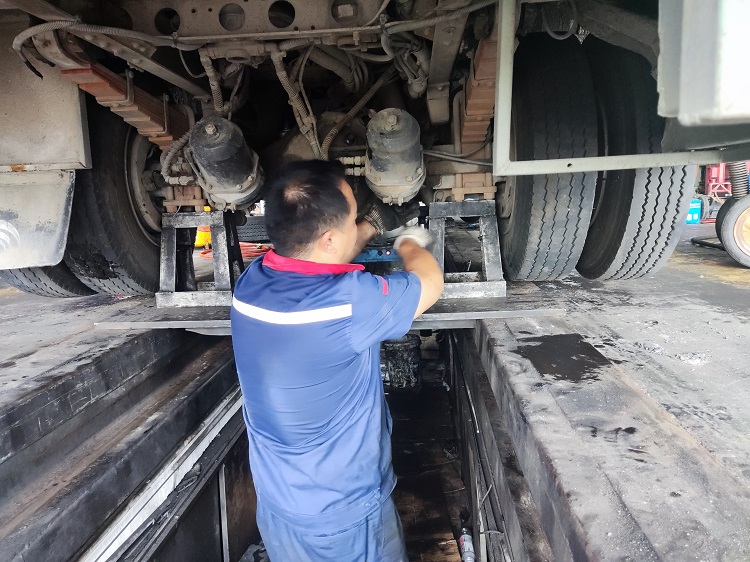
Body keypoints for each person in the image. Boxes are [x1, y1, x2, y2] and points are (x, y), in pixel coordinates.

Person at [230, 159, 444, 561]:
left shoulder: (252, 282)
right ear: (329, 238)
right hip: (345, 518)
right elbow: (429, 284)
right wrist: (409, 243)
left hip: (278, 506)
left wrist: (369, 226)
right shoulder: (349, 302)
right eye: (351, 219)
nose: (354, 225)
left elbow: (322, 254)